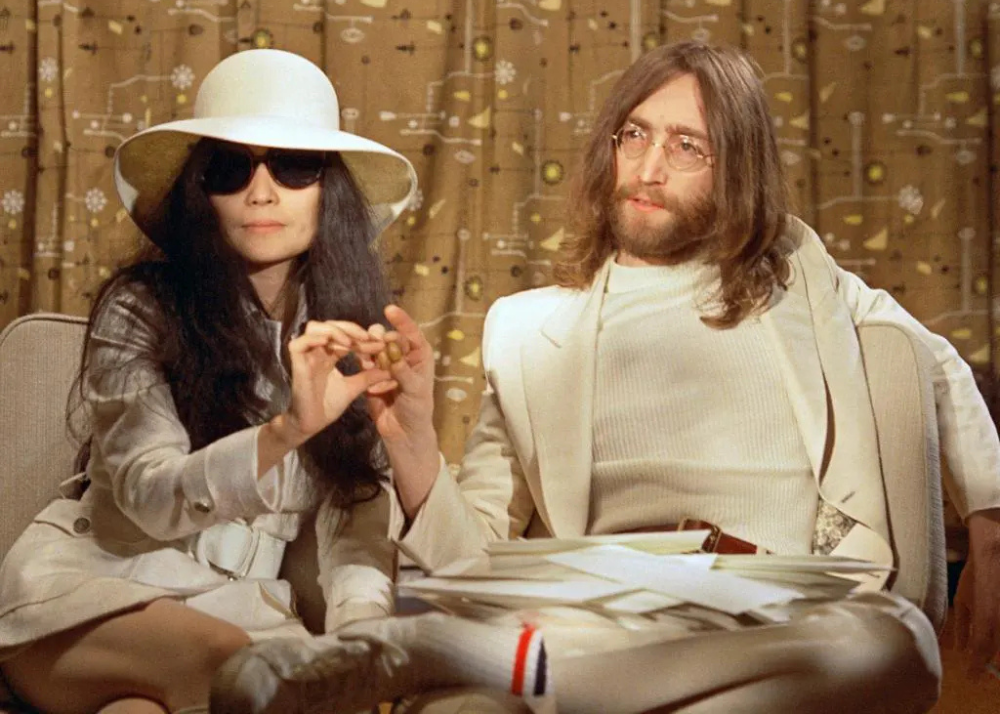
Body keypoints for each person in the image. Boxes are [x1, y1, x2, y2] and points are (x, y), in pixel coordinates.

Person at [211, 41, 1000, 713]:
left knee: (896, 640)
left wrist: (993, 516)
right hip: (601, 611)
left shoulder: (801, 272)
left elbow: (931, 359)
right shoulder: (528, 330)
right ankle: (494, 659)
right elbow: (468, 557)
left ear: (738, 169)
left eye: (687, 147)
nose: (649, 168)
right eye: (635, 135)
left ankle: (435, 655)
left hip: (775, 606)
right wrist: (412, 439)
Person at [0, 49, 555, 714]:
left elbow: (356, 524)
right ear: (200, 192)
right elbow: (148, 496)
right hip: (89, 597)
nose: (261, 192)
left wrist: (359, 635)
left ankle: (378, 665)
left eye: (293, 166)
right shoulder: (141, 307)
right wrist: (287, 431)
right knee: (242, 664)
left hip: (240, 615)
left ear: (330, 191)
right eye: (230, 169)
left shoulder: (355, 332)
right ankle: (416, 659)